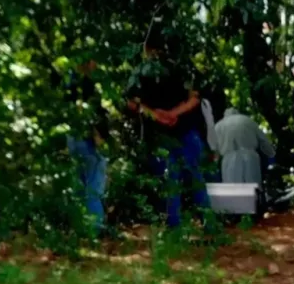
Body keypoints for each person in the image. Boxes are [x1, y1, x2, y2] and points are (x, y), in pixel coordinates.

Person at [125, 33, 212, 229]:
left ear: (146, 49)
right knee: (195, 178)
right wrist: (173, 113)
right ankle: (208, 224)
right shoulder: (180, 67)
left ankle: (175, 227)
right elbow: (194, 98)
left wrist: (157, 115)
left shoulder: (141, 73)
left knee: (171, 180)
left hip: (163, 134)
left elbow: (132, 103)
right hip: (185, 130)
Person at [56, 59, 110, 235]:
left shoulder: (69, 83)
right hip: (88, 141)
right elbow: (93, 113)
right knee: (93, 187)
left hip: (73, 138)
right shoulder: (87, 84)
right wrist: (99, 136)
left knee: (79, 186)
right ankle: (94, 229)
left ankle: (80, 228)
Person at [212, 108, 276, 188]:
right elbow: (263, 140)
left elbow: (214, 149)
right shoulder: (248, 121)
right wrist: (271, 154)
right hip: (250, 157)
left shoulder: (218, 126)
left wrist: (214, 165)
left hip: (229, 160)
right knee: (253, 187)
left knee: (233, 190)